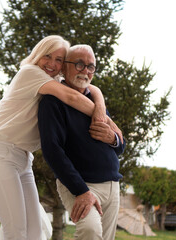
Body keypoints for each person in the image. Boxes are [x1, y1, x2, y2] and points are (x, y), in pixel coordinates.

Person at [0, 36, 114, 240]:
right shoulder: (29, 72)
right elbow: (73, 97)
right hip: (1, 151)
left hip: (23, 158)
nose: (52, 63)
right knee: (15, 227)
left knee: (35, 230)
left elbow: (91, 88)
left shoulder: (52, 81)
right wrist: (111, 124)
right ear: (37, 55)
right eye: (47, 56)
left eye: (59, 59)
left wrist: (100, 104)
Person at [38, 44, 126, 240]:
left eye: (91, 66)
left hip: (111, 185)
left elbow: (120, 146)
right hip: (82, 184)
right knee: (90, 231)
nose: (85, 71)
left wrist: (112, 139)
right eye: (79, 64)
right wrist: (81, 190)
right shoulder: (52, 103)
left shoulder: (94, 101)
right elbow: (52, 150)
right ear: (64, 67)